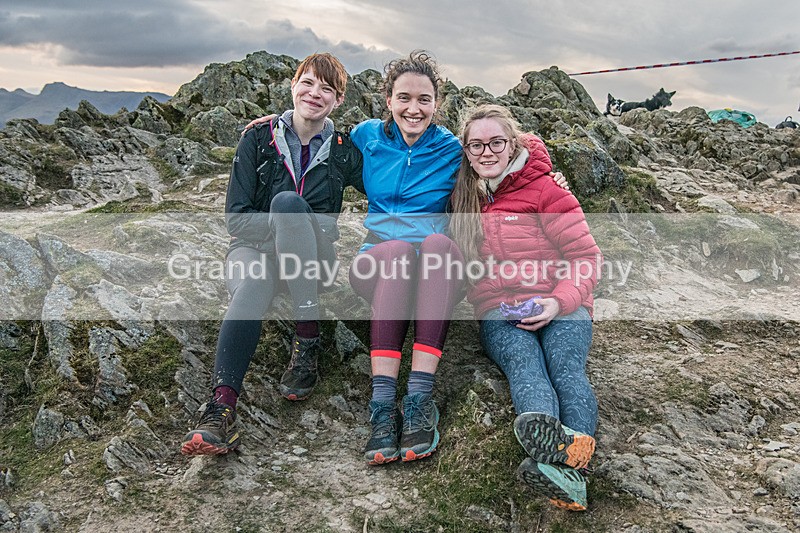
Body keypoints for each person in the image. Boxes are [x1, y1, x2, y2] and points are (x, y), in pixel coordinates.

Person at [244, 52, 568, 466]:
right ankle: (382, 405)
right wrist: (272, 123)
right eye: (404, 98)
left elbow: (506, 155)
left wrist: (547, 172)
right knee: (397, 251)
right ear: (388, 100)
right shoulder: (365, 138)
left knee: (437, 247)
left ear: (437, 103)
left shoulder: (452, 149)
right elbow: (314, 133)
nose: (413, 108)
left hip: (435, 272)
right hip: (378, 262)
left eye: (424, 99)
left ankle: (418, 397)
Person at [180, 53, 364, 456]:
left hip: (313, 263)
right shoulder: (258, 138)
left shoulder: (344, 150)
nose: (315, 94)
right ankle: (221, 410)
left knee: (286, 204)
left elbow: (391, 182)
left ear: (338, 100)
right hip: (254, 252)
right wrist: (286, 227)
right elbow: (236, 219)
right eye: (309, 83)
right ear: (293, 85)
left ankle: (307, 337)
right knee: (258, 272)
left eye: (327, 89)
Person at [449, 104, 601, 511]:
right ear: (465, 150)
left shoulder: (547, 190)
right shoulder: (463, 197)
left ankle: (570, 470)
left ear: (512, 142)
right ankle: (556, 457)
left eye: (496, 142)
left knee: (565, 366)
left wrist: (559, 300)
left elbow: (586, 256)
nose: (486, 152)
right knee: (524, 362)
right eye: (476, 145)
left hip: (562, 303)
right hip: (501, 308)